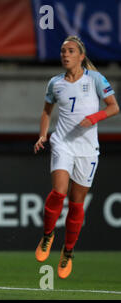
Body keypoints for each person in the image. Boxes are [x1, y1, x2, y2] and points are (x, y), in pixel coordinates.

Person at [34, 36, 119, 279]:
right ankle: (48, 235)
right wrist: (42, 135)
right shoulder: (55, 83)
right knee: (59, 192)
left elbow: (114, 107)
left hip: (87, 149)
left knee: (76, 203)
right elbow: (46, 112)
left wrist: (94, 118)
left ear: (81, 56)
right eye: (62, 51)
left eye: (70, 51)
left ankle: (68, 251)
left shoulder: (95, 79)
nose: (65, 54)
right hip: (63, 143)